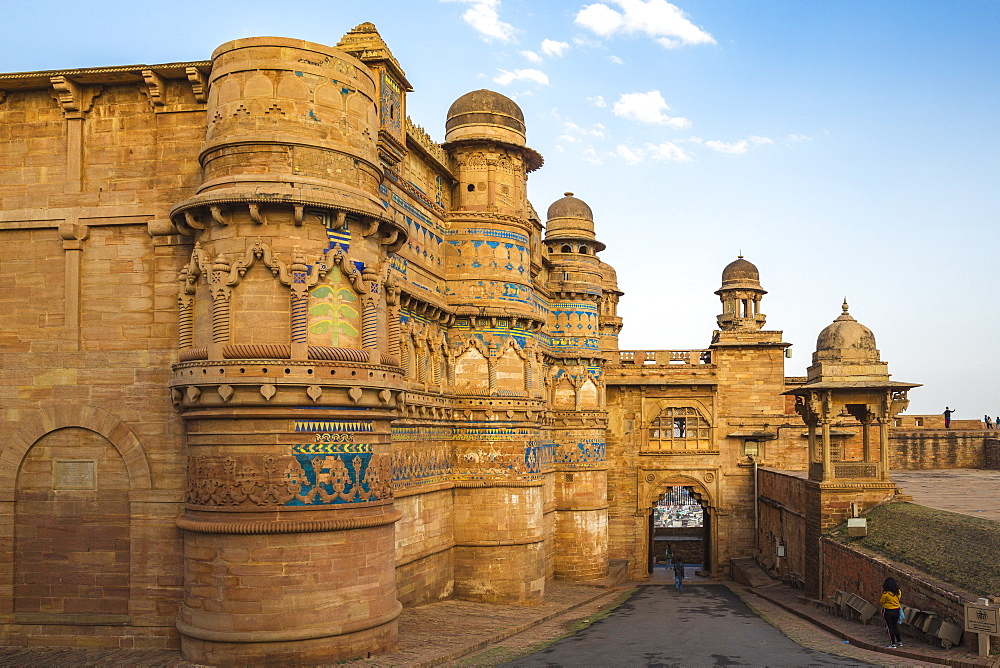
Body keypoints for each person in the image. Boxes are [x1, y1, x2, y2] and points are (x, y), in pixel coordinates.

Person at [880, 576, 903, 648]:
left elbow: (882, 601)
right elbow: (898, 599)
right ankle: (899, 641)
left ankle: (892, 644)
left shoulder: (886, 594)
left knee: (890, 627)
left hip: (888, 610)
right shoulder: (898, 592)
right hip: (896, 610)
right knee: (895, 626)